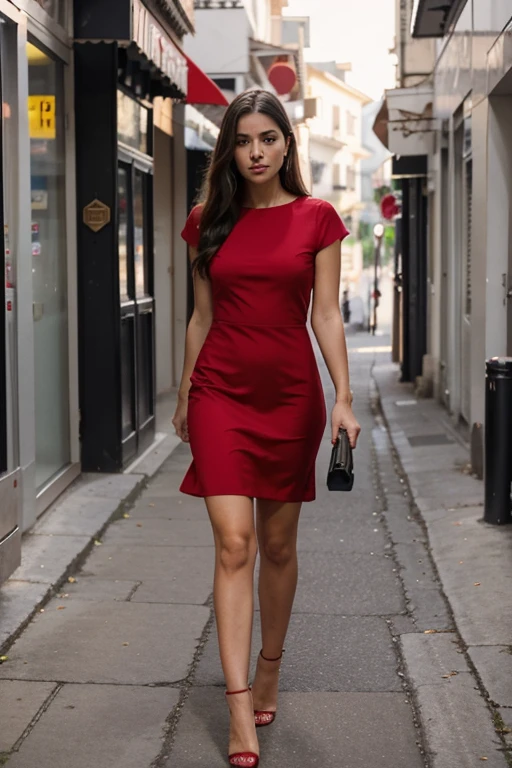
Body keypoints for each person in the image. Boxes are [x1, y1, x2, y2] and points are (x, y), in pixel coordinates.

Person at [172, 89, 361, 768]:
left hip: (289, 399)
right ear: (230, 148)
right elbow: (200, 317)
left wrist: (344, 396)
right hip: (220, 392)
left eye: (268, 139)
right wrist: (186, 390)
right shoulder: (207, 221)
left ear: (287, 144)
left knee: (278, 546)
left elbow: (328, 316)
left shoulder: (317, 218)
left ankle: (271, 666)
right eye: (244, 141)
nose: (256, 153)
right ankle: (237, 705)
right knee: (234, 543)